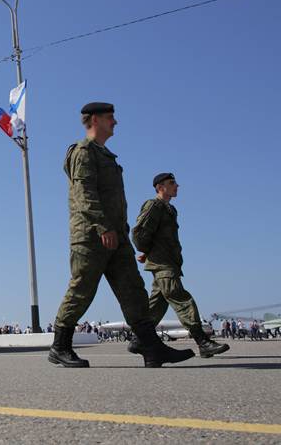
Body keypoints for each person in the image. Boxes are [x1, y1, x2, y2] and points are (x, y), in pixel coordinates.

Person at [49, 102, 195, 368]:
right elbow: (85, 195)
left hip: (117, 237)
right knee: (82, 289)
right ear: (94, 120)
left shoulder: (106, 156)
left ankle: (151, 347)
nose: (115, 122)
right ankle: (60, 346)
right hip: (92, 236)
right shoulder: (83, 152)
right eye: (110, 118)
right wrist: (102, 226)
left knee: (134, 291)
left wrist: (116, 231)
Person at [130, 173, 229, 358]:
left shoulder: (170, 209)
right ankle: (203, 342)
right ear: (160, 187)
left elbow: (159, 236)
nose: (177, 186)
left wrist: (148, 253)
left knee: (157, 305)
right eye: (172, 183)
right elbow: (139, 232)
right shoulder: (154, 205)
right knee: (181, 298)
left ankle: (138, 339)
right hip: (163, 264)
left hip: (168, 262)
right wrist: (146, 250)